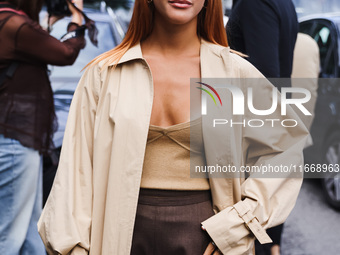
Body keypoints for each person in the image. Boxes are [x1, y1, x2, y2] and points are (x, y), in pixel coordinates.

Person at [38, 0, 309, 254]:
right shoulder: (102, 75)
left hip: (207, 238)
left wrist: (240, 223)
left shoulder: (234, 72)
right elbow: (74, 179)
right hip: (115, 236)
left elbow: (287, 151)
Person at [0, 0, 85, 254]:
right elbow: (65, 53)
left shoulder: (9, 21)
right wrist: (77, 17)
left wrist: (49, 26)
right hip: (15, 139)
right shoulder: (13, 23)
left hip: (17, 138)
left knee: (30, 235)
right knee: (9, 237)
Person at [226, 1, 299, 254]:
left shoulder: (254, 2)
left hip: (256, 130)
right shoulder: (283, 2)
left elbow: (264, 77)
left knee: (251, 225)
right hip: (272, 123)